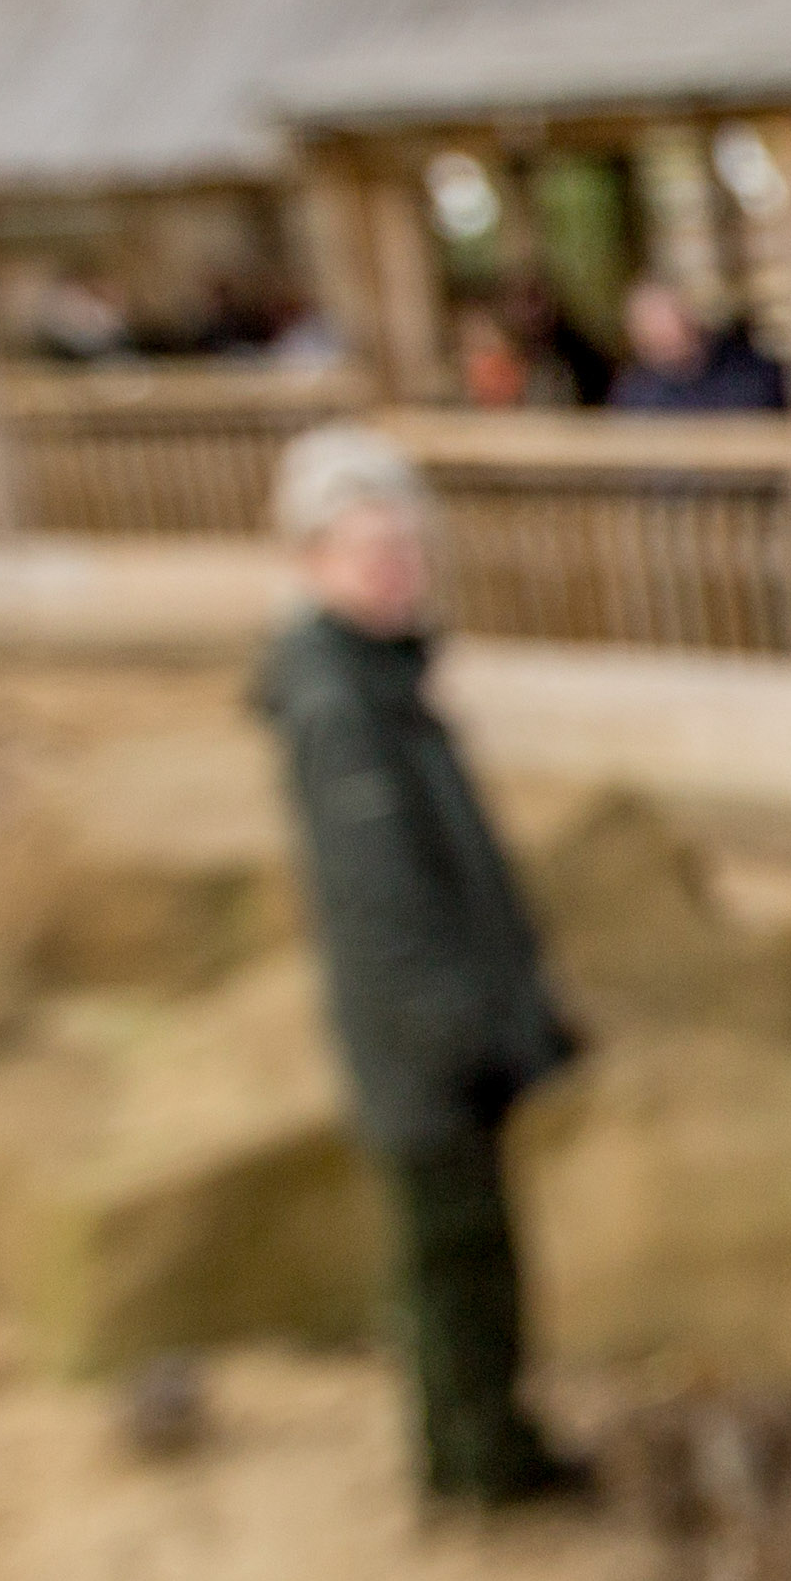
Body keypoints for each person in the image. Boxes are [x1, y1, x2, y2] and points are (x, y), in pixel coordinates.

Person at [250, 424, 592, 1510]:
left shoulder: (383, 679)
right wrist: (473, 1039)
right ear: (312, 562)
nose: (395, 568)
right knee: (455, 1265)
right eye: (367, 551)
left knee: (466, 1257)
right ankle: (480, 1463)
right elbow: (381, 904)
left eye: (405, 547)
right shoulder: (338, 705)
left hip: (451, 1037)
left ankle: (476, 1445)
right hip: (426, 1057)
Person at [605, 280, 791, 414]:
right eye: (658, 336)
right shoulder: (636, 394)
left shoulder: (750, 374)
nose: (673, 337)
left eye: (677, 323)